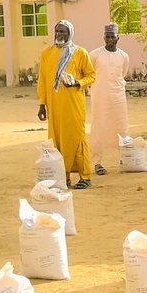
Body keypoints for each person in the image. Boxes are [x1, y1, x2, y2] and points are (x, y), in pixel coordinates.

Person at [37, 20, 96, 189]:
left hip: (73, 104)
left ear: (70, 33)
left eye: (63, 32)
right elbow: (42, 79)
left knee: (76, 138)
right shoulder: (46, 53)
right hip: (54, 105)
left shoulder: (79, 53)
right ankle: (63, 177)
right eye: (57, 31)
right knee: (57, 141)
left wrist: (77, 83)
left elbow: (91, 76)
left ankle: (85, 177)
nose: (60, 35)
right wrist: (42, 104)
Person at [89, 23, 130, 176]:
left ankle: (125, 159)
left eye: (113, 36)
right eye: (107, 36)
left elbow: (123, 73)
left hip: (118, 97)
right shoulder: (94, 55)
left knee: (121, 127)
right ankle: (97, 162)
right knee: (99, 128)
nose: (110, 39)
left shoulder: (123, 56)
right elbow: (90, 73)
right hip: (100, 97)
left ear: (118, 38)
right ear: (104, 37)